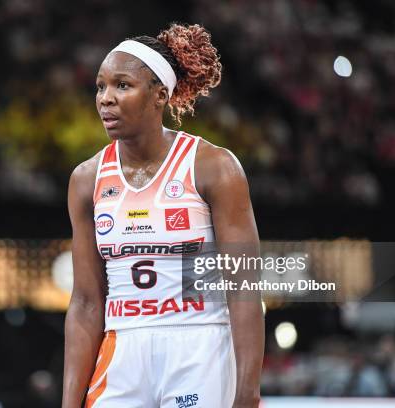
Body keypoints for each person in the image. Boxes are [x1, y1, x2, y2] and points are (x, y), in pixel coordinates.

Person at [63, 23, 264, 408]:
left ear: (159, 95)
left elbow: (245, 288)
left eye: (122, 85)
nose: (106, 98)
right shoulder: (86, 180)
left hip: (200, 342)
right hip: (122, 344)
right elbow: (87, 302)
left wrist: (247, 392)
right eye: (100, 86)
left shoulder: (214, 166)